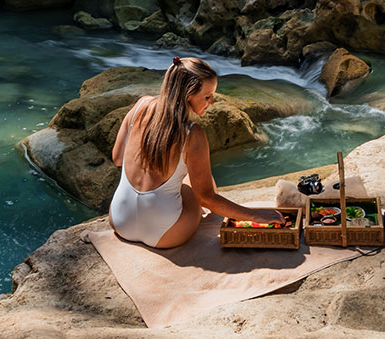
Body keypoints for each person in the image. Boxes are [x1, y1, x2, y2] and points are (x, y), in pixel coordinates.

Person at [108, 55, 282, 249]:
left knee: (181, 178)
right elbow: (206, 198)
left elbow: (117, 158)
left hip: (120, 220)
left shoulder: (140, 105)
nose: (212, 102)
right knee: (192, 186)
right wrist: (256, 215)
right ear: (188, 93)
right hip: (164, 234)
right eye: (207, 97)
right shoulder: (193, 134)